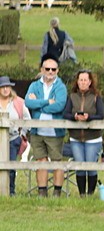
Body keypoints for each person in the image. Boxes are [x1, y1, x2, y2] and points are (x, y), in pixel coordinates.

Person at [24, 56, 68, 197]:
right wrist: (48, 101)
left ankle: (57, 193)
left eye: (53, 69)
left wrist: (39, 105)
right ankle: (42, 193)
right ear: (42, 70)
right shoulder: (34, 85)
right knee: (40, 160)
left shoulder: (61, 87)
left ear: (57, 71)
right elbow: (28, 103)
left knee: (56, 161)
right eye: (47, 69)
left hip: (54, 132)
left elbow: (59, 106)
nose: (50, 71)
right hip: (37, 131)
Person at [65, 69, 104, 196]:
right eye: (80, 80)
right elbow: (65, 114)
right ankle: (82, 194)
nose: (83, 82)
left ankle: (90, 194)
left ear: (90, 82)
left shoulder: (96, 97)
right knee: (80, 167)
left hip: (93, 138)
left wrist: (89, 118)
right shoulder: (72, 97)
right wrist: (75, 117)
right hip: (76, 138)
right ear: (77, 82)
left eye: (85, 80)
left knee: (91, 166)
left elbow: (101, 115)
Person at [1, 76, 28, 196]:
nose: (5, 89)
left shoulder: (19, 102)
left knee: (11, 166)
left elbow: (28, 120)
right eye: (2, 87)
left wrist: (22, 134)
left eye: (7, 86)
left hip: (13, 139)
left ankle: (11, 191)